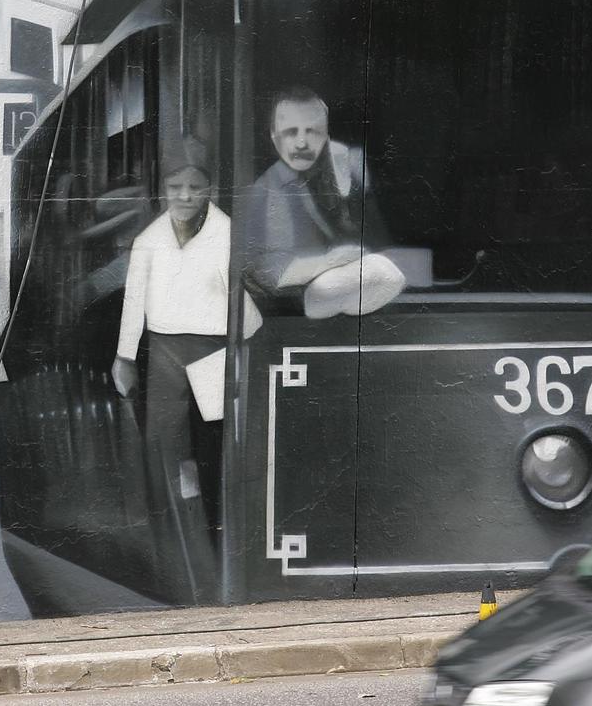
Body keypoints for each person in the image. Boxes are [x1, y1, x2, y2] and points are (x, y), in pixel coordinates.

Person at [111, 142, 258, 605]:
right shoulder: (148, 241)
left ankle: (218, 561)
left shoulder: (226, 234)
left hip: (214, 352)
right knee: (167, 451)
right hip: (165, 355)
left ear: (209, 189)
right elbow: (134, 302)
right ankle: (180, 558)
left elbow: (240, 303)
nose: (185, 196)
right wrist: (125, 358)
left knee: (214, 450)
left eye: (195, 187)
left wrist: (241, 348)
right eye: (176, 187)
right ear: (163, 191)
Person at [246, 86, 405, 319]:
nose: (302, 142)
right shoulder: (267, 189)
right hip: (291, 303)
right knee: (381, 273)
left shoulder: (345, 165)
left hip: (343, 286)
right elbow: (268, 274)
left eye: (313, 131)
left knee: (387, 273)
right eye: (291, 132)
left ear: (326, 135)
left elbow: (376, 239)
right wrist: (329, 262)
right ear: (274, 136)